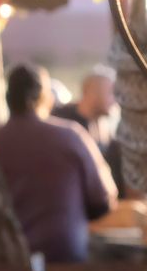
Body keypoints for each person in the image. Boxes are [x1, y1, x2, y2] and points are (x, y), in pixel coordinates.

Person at [0, 64, 117, 264]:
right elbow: (102, 199)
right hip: (66, 257)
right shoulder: (71, 137)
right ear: (46, 98)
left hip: (7, 261)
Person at [51, 64, 126, 198]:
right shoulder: (64, 124)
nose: (115, 100)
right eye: (110, 93)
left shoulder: (106, 129)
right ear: (91, 92)